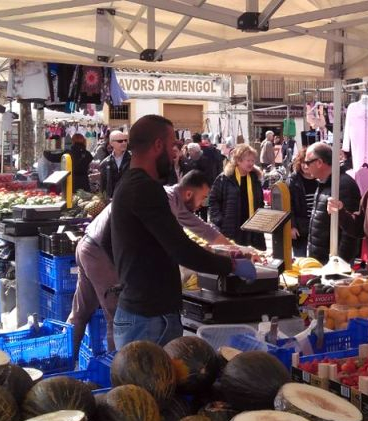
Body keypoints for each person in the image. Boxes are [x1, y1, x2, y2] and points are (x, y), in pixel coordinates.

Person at [109, 115, 254, 348]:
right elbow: (182, 250)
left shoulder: (130, 184)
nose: (175, 152)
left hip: (143, 312)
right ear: (158, 145)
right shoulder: (144, 188)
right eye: (171, 145)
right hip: (149, 318)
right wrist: (232, 266)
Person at [70, 169, 233, 358]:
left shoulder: (174, 201)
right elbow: (177, 247)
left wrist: (235, 249)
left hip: (88, 244)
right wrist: (228, 263)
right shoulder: (163, 199)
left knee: (80, 312)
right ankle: (116, 373)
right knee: (116, 315)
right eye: (202, 197)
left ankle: (65, 362)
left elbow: (203, 229)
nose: (202, 204)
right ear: (189, 193)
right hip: (99, 252)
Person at [304, 142, 361, 263]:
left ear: (319, 162)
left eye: (308, 163)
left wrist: (340, 261)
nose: (305, 167)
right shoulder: (324, 183)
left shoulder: (343, 185)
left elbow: (350, 231)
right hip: (319, 259)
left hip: (334, 262)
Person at [209, 144, 266, 250]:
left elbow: (260, 201)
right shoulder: (225, 178)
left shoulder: (254, 178)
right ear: (238, 161)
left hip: (253, 229)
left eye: (253, 160)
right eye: (248, 160)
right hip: (231, 227)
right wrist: (220, 221)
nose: (251, 163)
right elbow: (213, 201)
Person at [285, 149, 311, 257]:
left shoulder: (321, 179)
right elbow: (289, 206)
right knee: (300, 259)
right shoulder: (293, 180)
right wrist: (292, 226)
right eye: (303, 163)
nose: (305, 166)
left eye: (308, 163)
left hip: (317, 227)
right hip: (300, 228)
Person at [99, 130, 130, 198]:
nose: (124, 143)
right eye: (120, 141)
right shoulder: (105, 163)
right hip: (112, 201)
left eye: (125, 140)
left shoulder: (133, 159)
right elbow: (103, 187)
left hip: (130, 200)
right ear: (111, 143)